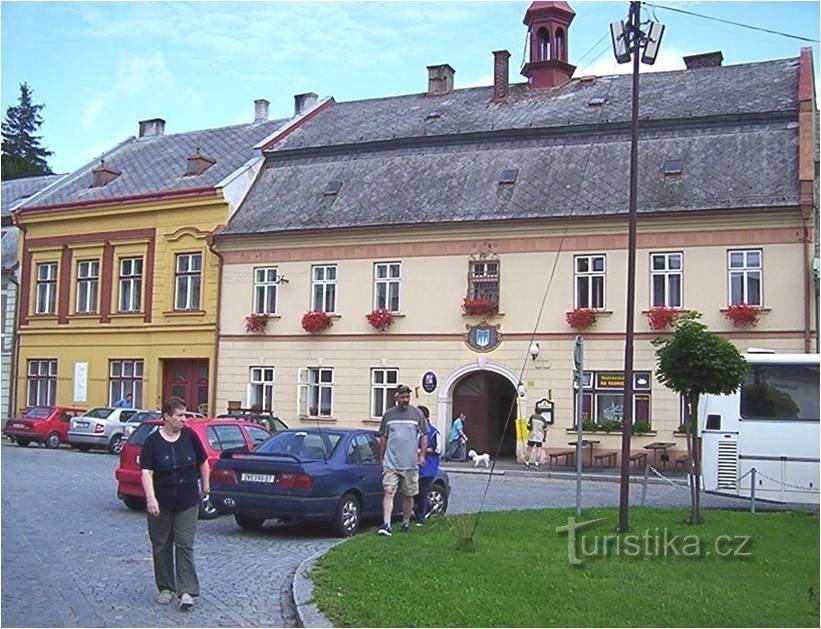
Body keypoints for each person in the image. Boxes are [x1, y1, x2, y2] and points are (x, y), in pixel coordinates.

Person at [140, 397, 210, 610]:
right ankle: (165, 588)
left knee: (184, 543)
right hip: (161, 501)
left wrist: (205, 485)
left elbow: (203, 461)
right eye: (179, 415)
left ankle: (187, 590)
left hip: (188, 499)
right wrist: (151, 498)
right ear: (166, 417)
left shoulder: (190, 436)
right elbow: (146, 472)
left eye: (185, 415)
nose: (184, 419)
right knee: (161, 544)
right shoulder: (153, 442)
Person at [377, 384, 428, 536]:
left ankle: (406, 522)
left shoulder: (417, 414)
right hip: (391, 462)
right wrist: (381, 457)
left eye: (407, 397)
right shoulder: (388, 415)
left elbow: (424, 434)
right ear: (396, 398)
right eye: (403, 397)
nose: (406, 400)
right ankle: (386, 524)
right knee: (389, 491)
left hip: (410, 463)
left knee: (409, 494)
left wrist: (422, 455)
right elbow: (383, 437)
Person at [414, 405, 440, 526]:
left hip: (428, 468)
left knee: (422, 492)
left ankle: (420, 518)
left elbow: (438, 449)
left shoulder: (433, 432)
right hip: (414, 467)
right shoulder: (414, 430)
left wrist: (421, 451)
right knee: (414, 492)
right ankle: (427, 507)